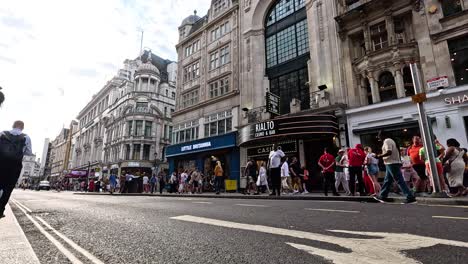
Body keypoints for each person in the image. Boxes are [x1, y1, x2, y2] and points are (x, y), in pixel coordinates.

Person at [0, 121, 33, 218]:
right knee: (8, 188)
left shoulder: (2, 133)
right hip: (15, 165)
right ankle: (0, 210)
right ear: (22, 127)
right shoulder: (26, 137)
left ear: (13, 126)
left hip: (1, 163)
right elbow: (29, 153)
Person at [375, 130, 416, 204]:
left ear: (383, 135)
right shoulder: (391, 140)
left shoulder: (387, 141)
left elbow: (389, 152)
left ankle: (410, 197)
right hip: (391, 163)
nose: (378, 137)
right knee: (388, 180)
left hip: (392, 163)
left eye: (379, 135)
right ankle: (382, 196)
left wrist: (379, 156)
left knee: (399, 180)